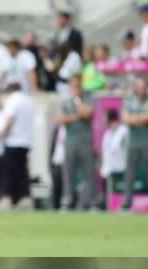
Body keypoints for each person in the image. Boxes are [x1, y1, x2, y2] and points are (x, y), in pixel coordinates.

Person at [120, 77, 148, 212]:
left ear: (147, 88)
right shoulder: (129, 102)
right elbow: (126, 118)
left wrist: (136, 118)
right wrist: (140, 118)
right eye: (139, 87)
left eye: (144, 87)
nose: (141, 89)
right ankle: (126, 204)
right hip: (133, 141)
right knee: (130, 174)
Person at [58, 75, 99, 211]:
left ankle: (93, 202)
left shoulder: (87, 99)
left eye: (77, 85)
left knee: (89, 172)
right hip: (71, 140)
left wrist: (77, 109)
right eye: (73, 86)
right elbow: (62, 118)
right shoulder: (65, 102)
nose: (75, 88)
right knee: (68, 172)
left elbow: (87, 113)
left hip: (86, 140)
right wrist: (77, 115)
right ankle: (67, 200)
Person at [0, 82, 34, 210]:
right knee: (22, 172)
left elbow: (10, 119)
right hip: (26, 142)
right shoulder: (29, 101)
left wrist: (3, 134)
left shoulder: (12, 100)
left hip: (13, 141)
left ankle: (7, 198)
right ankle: (25, 198)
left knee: (8, 172)